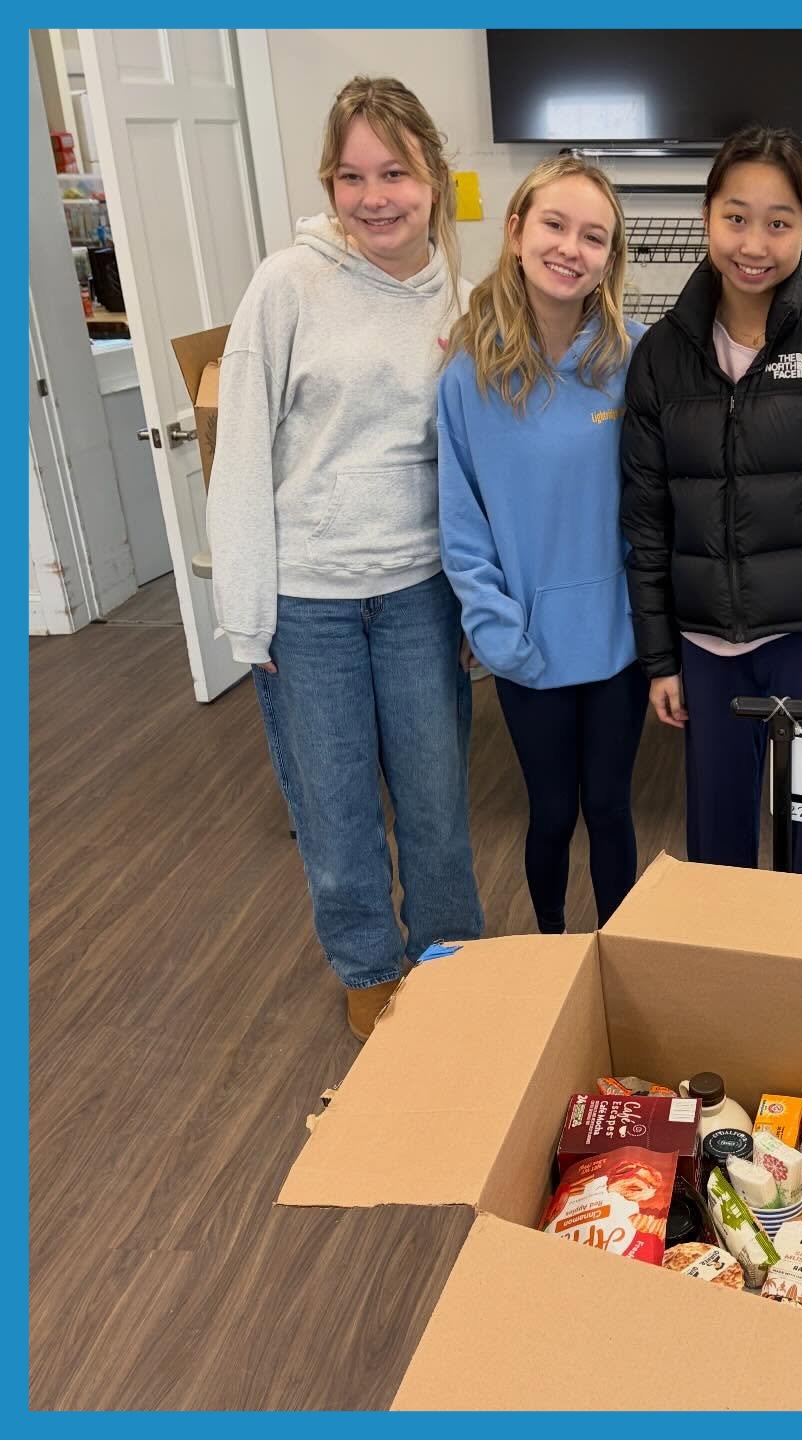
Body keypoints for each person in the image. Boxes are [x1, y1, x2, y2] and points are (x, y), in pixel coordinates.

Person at [207, 76, 484, 1040]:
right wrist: (248, 612)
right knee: (335, 815)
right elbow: (239, 449)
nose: (375, 197)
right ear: (329, 183)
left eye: (395, 173)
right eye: (351, 175)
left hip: (418, 593)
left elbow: (466, 458)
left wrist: (474, 604)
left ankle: (452, 964)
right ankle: (370, 972)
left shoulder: (458, 290)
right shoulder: (288, 284)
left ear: (434, 179)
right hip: (309, 602)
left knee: (438, 803)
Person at [621, 126, 802, 878]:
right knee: (714, 851)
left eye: (779, 223)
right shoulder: (660, 356)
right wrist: (660, 657)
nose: (755, 243)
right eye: (736, 217)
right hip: (706, 652)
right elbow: (648, 519)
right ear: (707, 215)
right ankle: (729, 991)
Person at [438, 157, 646, 934]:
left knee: (612, 812)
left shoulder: (634, 361)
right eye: (555, 225)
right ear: (517, 230)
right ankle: (554, 949)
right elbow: (461, 519)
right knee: (552, 814)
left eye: (595, 236)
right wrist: (495, 631)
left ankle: (618, 960)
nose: (571, 248)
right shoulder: (468, 374)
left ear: (610, 258)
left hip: (618, 647)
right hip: (527, 646)